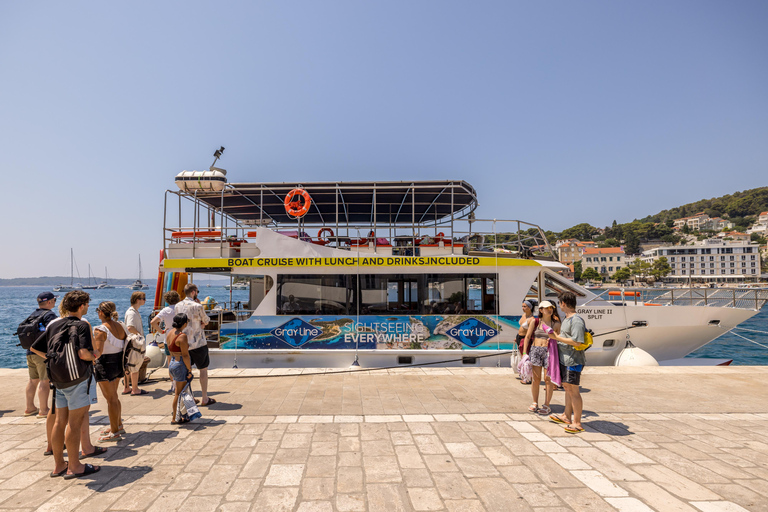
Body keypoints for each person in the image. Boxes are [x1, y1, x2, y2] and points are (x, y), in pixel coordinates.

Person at [30, 290, 101, 479]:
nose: (87, 307)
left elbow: (34, 347)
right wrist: (95, 357)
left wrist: (53, 359)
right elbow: (83, 353)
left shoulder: (55, 324)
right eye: (86, 304)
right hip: (78, 379)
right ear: (81, 306)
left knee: (60, 422)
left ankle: (59, 465)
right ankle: (75, 466)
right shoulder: (82, 325)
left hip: (58, 380)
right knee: (75, 423)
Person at [548, 292, 587, 434]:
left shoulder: (576, 320)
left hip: (573, 360)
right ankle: (566, 415)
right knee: (567, 388)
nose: (559, 306)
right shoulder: (566, 319)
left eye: (559, 303)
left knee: (574, 390)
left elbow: (577, 341)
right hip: (566, 359)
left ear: (563, 303)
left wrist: (557, 338)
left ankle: (577, 422)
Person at [175, 283, 214, 406]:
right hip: (198, 342)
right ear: (193, 292)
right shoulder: (198, 306)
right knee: (203, 369)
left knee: (186, 371)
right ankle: (204, 398)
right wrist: (202, 324)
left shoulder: (177, 306)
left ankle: (190, 397)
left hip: (183, 343)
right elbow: (207, 320)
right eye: (197, 292)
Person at [20, 292, 58, 418]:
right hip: (41, 353)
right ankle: (43, 410)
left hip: (29, 351)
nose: (54, 303)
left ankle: (29, 408)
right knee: (44, 380)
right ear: (49, 302)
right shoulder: (49, 315)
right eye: (54, 301)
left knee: (33, 380)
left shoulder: (33, 314)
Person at [93, 302, 126, 442]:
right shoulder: (120, 326)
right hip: (118, 363)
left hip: (105, 365)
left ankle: (114, 432)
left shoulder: (100, 330)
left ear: (101, 312)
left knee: (110, 399)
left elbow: (98, 353)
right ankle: (118, 425)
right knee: (114, 397)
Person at [524, 300, 561, 416]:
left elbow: (559, 338)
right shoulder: (535, 322)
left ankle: (547, 404)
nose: (549, 309)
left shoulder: (556, 324)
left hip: (549, 351)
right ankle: (535, 402)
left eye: (551, 307)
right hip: (535, 349)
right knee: (536, 379)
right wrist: (525, 353)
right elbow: (527, 337)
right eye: (546, 308)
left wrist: (554, 338)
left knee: (547, 379)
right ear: (541, 310)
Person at [165, 313, 195, 424]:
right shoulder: (182, 336)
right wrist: (189, 369)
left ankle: (182, 414)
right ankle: (175, 417)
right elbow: (186, 355)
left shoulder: (170, 333)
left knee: (179, 391)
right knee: (178, 393)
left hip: (172, 362)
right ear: (184, 323)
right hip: (180, 363)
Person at [123, 291, 149, 396]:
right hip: (134, 343)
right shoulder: (132, 313)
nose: (145, 300)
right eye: (143, 298)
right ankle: (135, 388)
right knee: (135, 365)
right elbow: (130, 327)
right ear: (138, 300)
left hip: (132, 342)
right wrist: (140, 335)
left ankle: (127, 387)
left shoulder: (133, 311)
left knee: (128, 365)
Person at [150, 290, 182, 370]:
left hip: (168, 338)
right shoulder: (182, 309)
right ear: (178, 298)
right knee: (181, 359)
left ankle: (172, 381)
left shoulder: (165, 310)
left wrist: (161, 331)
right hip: (181, 337)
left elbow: (153, 322)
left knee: (170, 360)